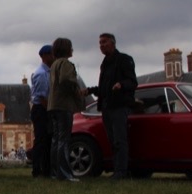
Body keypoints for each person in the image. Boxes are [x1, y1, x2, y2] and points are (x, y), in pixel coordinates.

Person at [84, 33, 138, 179]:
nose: (101, 45)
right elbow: (103, 88)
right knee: (113, 140)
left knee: (120, 140)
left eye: (104, 42)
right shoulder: (105, 63)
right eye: (100, 43)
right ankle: (118, 169)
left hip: (120, 106)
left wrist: (121, 85)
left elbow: (133, 82)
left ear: (113, 43)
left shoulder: (124, 60)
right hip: (107, 107)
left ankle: (121, 171)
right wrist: (89, 91)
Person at [48, 38, 83, 182]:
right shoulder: (66, 64)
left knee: (56, 140)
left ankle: (55, 172)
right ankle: (65, 174)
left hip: (53, 105)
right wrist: (76, 90)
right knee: (64, 139)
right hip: (63, 105)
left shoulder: (54, 64)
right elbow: (67, 80)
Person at [30, 44, 55, 177]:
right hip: (41, 109)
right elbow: (42, 97)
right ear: (45, 56)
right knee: (41, 140)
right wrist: (50, 112)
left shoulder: (47, 72)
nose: (54, 57)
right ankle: (38, 170)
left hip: (42, 108)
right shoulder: (41, 74)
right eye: (52, 54)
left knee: (46, 140)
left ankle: (45, 169)